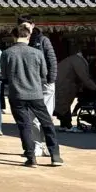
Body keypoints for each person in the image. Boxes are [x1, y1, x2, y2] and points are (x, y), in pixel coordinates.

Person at [1, 23, 63, 167]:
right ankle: (55, 155)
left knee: (25, 126)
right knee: (47, 123)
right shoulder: (37, 53)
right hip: (36, 94)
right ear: (28, 35)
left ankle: (31, 157)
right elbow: (44, 74)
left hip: (16, 94)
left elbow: (4, 76)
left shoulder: (6, 53)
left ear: (13, 36)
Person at [18, 16, 58, 156]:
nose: (25, 28)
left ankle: (48, 145)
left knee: (45, 117)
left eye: (27, 25)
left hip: (45, 83)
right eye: (22, 26)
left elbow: (52, 60)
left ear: (33, 25)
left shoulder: (43, 40)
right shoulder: (20, 43)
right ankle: (37, 145)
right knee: (32, 117)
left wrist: (50, 80)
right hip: (30, 84)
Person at [55, 45, 96, 131]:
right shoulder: (78, 62)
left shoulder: (75, 59)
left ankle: (63, 125)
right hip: (64, 86)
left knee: (63, 105)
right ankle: (68, 126)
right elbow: (85, 78)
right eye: (91, 57)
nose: (92, 59)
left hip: (62, 84)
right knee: (64, 105)